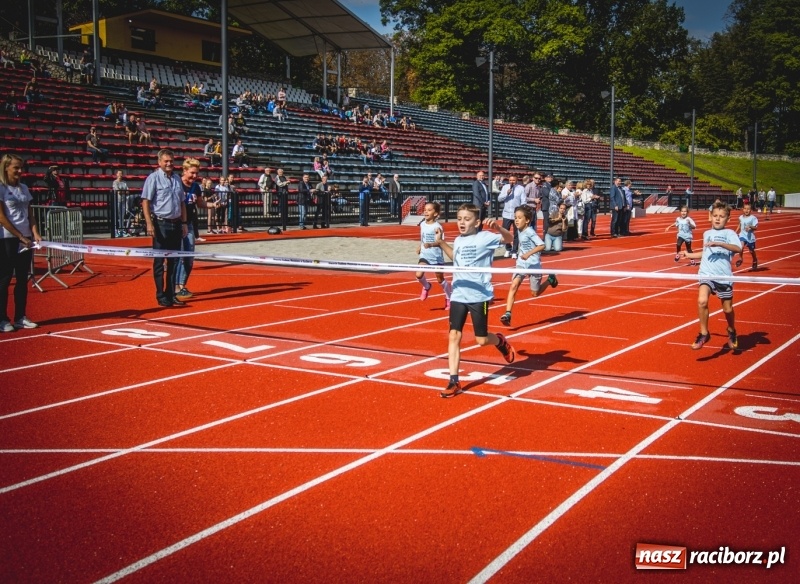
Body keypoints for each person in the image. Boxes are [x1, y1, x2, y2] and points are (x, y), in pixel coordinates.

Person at [430, 204, 515, 398]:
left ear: (477, 222)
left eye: (466, 219)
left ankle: (500, 341)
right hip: (459, 293)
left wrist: (499, 228)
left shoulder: (485, 238)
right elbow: (456, 258)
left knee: (482, 340)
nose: (461, 222)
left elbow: (509, 239)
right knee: (454, 335)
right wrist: (441, 243)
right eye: (459, 218)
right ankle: (454, 380)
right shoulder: (459, 240)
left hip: (479, 296)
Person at [680, 201, 741, 350]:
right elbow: (705, 253)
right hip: (706, 274)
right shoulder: (706, 234)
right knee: (702, 301)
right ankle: (704, 333)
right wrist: (690, 255)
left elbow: (738, 248)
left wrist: (720, 244)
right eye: (715, 216)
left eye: (721, 216)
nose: (718, 219)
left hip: (724, 277)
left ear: (727, 219)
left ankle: (731, 329)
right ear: (710, 217)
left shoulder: (730, 233)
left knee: (727, 310)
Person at [140, 149, 188, 308]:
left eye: (171, 161)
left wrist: (184, 223)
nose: (169, 164)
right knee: (160, 261)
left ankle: (171, 294)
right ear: (159, 162)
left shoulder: (176, 179)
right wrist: (149, 223)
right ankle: (161, 295)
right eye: (166, 161)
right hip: (160, 223)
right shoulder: (153, 178)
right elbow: (146, 201)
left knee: (174, 261)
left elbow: (182, 202)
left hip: (175, 223)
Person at [0, 154, 41, 332]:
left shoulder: (24, 188)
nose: (19, 171)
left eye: (21, 168)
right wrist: (18, 236)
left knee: (23, 279)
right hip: (7, 239)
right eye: (16, 167)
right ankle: (2, 318)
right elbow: (2, 217)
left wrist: (35, 233)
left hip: (26, 239)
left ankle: (20, 317)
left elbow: (30, 213)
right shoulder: (1, 187)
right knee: (5, 278)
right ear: (6, 167)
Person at [499, 205, 558, 327]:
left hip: (533, 264)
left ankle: (550, 280)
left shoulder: (530, 231)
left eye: (519, 218)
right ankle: (508, 313)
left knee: (535, 293)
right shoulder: (519, 230)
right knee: (514, 285)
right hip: (521, 264)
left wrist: (528, 254)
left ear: (527, 220)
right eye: (515, 218)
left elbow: (542, 245)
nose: (516, 220)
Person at [415, 202, 452, 307]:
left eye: (429, 210)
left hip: (436, 257)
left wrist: (431, 244)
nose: (426, 211)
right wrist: (420, 246)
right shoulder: (422, 224)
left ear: (435, 214)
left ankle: (448, 297)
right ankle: (427, 286)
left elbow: (440, 242)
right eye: (425, 209)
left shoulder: (437, 227)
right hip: (425, 255)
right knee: (418, 274)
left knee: (440, 279)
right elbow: (422, 238)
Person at [175, 158, 202, 300]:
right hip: (176, 223)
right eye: (192, 173)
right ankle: (176, 286)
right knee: (178, 256)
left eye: (196, 173)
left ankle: (182, 284)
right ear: (184, 171)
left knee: (189, 257)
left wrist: (213, 205)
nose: (194, 176)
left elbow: (200, 203)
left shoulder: (196, 187)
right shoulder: (176, 184)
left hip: (189, 224)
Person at [497, 175, 525, 258]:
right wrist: (506, 193)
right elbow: (499, 199)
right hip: (506, 214)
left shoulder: (520, 188)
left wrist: (522, 211)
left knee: (516, 233)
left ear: (516, 180)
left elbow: (523, 201)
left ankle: (514, 250)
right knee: (505, 232)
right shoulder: (505, 187)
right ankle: (508, 248)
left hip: (516, 215)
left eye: (513, 180)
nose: (511, 182)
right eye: (510, 180)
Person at [735, 201, 758, 270]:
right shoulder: (741, 217)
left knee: (751, 251)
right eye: (745, 208)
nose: (746, 210)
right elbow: (739, 225)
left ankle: (754, 259)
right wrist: (735, 232)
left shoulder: (753, 218)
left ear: (750, 210)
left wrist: (751, 227)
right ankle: (740, 258)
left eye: (748, 209)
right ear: (743, 209)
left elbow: (756, 227)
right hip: (742, 235)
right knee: (740, 247)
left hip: (750, 237)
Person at [112, 170, 129, 236]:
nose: (120, 175)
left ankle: (121, 230)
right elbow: (118, 191)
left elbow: (127, 191)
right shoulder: (115, 182)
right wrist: (124, 191)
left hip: (123, 201)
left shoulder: (124, 182)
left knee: (122, 216)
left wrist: (123, 192)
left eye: (121, 173)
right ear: (116, 174)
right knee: (117, 215)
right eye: (119, 173)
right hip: (117, 200)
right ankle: (116, 230)